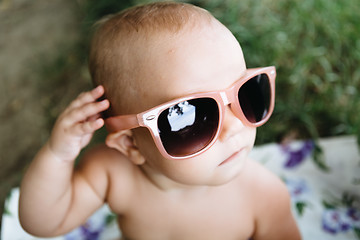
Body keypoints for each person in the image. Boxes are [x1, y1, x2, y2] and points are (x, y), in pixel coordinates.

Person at [19, 2, 301, 239]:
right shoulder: (113, 175)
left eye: (246, 93)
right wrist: (58, 155)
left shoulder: (263, 196)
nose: (234, 126)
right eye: (190, 116)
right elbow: (44, 223)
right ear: (131, 144)